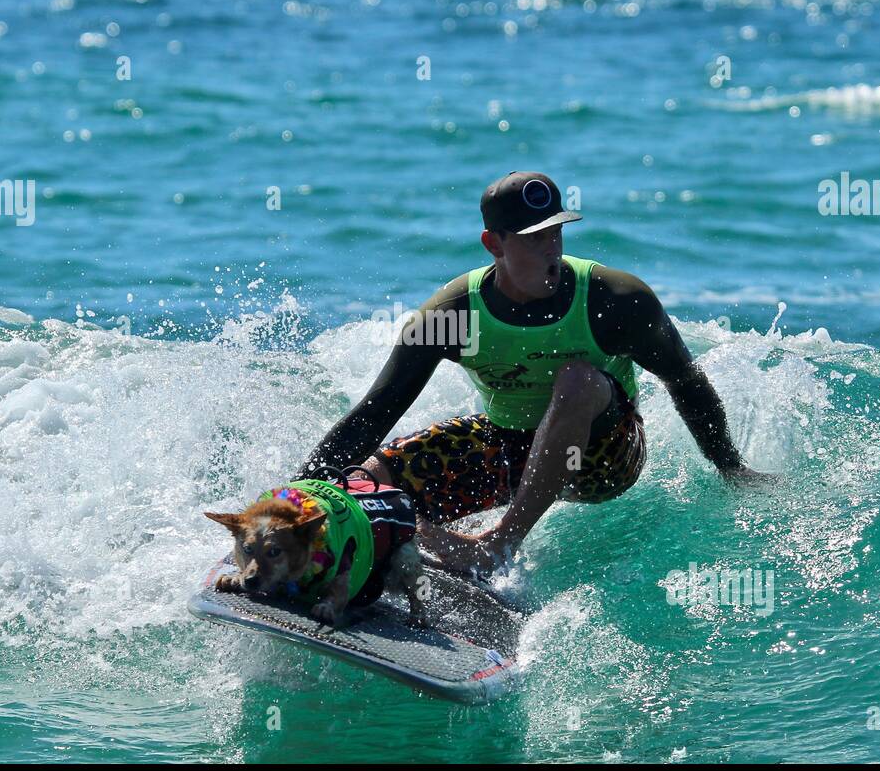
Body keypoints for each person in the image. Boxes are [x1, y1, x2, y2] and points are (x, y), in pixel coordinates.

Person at [296, 171, 772, 575]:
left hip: (602, 459)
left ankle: (499, 546)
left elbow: (685, 382)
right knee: (371, 475)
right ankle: (381, 548)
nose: (550, 249)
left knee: (578, 380)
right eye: (532, 238)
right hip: (510, 448)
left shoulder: (616, 301)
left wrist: (730, 466)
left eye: (555, 233)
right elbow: (374, 413)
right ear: (493, 244)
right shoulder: (453, 315)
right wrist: (299, 497)